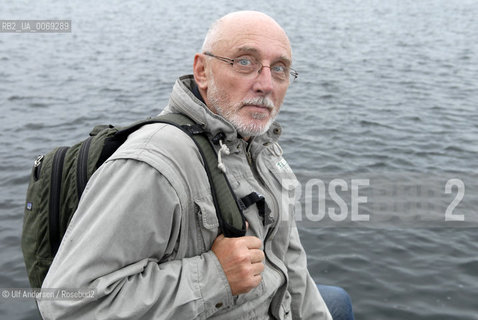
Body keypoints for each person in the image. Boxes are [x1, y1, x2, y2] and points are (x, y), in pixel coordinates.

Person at [38, 11, 354, 320]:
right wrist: (214, 276)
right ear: (202, 71)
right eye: (245, 62)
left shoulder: (259, 150)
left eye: (280, 69)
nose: (266, 84)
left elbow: (290, 264)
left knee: (335, 302)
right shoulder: (154, 164)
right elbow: (67, 304)